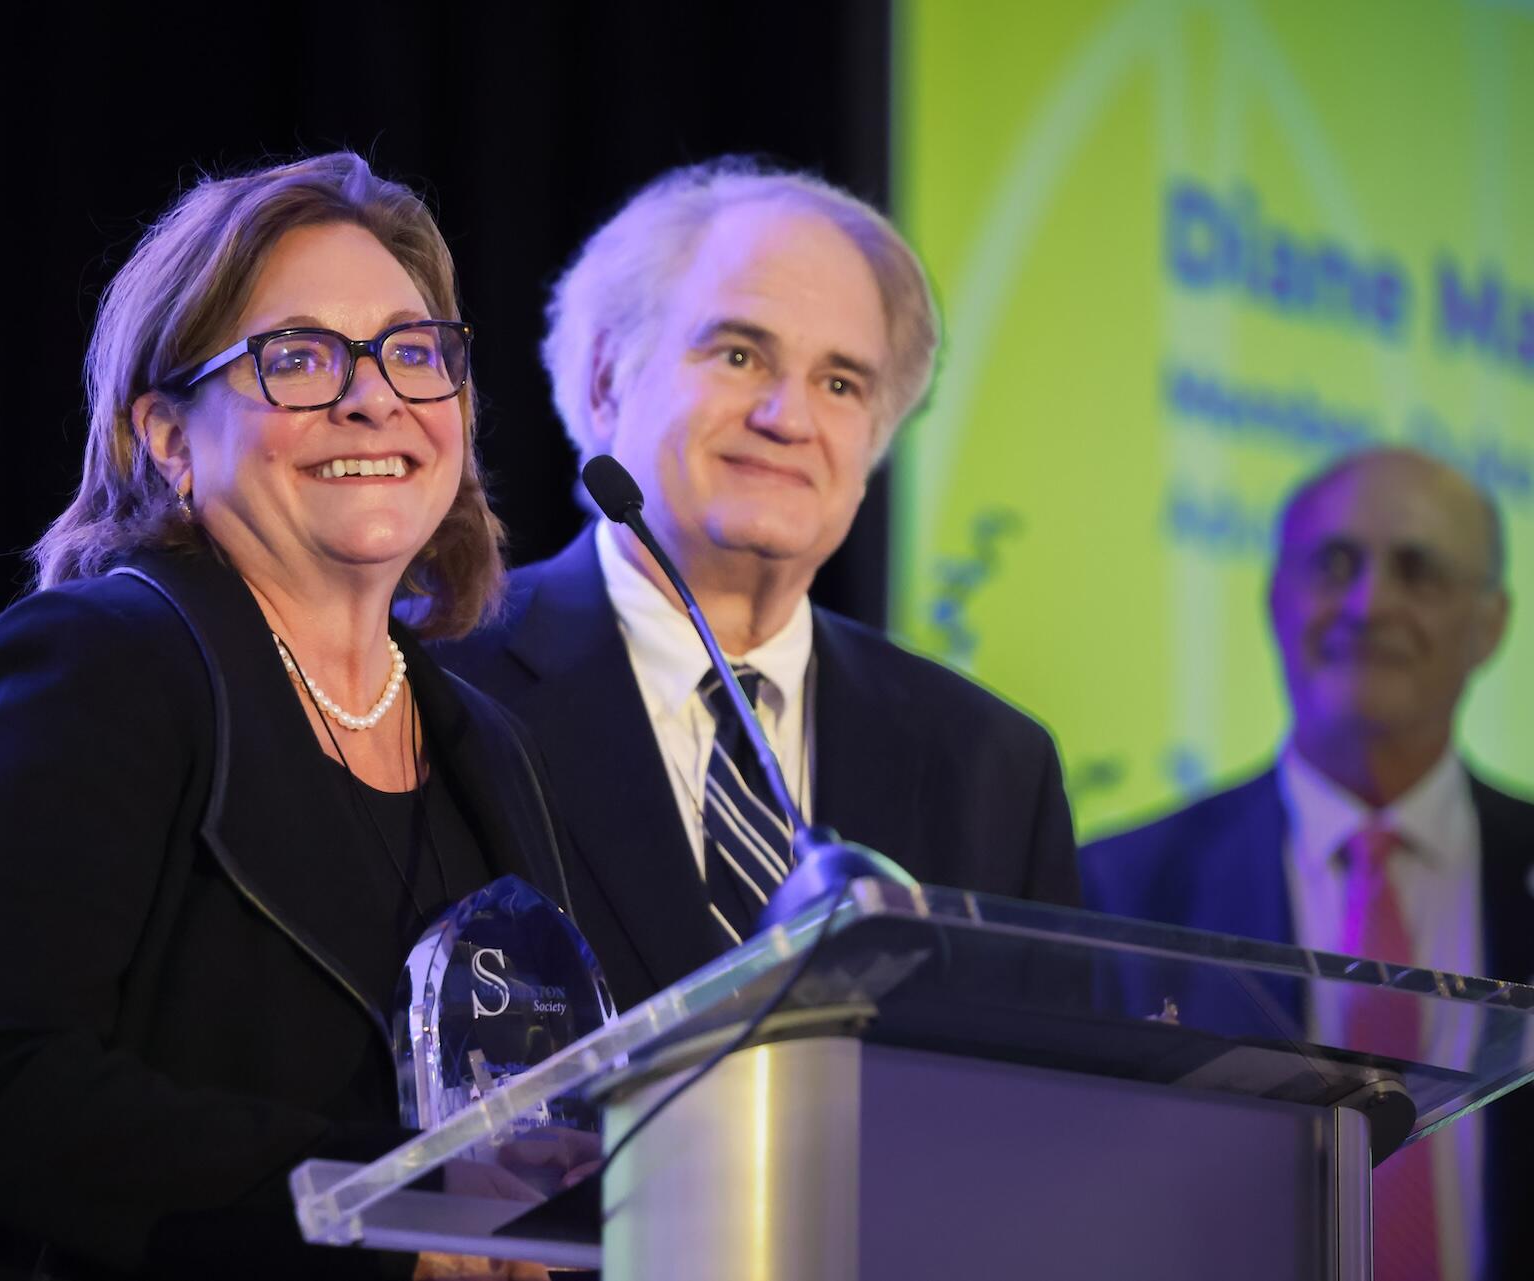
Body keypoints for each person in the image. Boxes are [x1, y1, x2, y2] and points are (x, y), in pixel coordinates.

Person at [0, 154, 570, 1280]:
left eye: (413, 352)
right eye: (296, 358)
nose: (373, 395)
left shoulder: (492, 745)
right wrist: (372, 1211)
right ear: (170, 438)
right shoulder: (99, 665)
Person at [433, 160, 1079, 1012]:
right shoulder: (440, 679)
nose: (789, 418)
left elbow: (1041, 1108)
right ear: (604, 379)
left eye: (841, 383)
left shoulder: (994, 767)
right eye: (739, 354)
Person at [1082, 447, 1531, 1281]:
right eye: (1334, 564)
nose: (1370, 602)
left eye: (1419, 569)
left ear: (1491, 623)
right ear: (1275, 599)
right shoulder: (1122, 890)